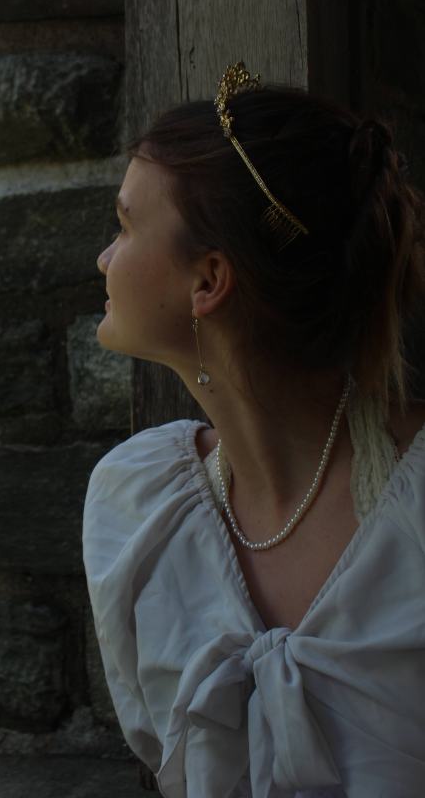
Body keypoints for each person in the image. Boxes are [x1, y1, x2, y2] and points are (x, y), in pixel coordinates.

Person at [82, 62, 425, 798]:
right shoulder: (137, 509)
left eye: (126, 225)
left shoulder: (416, 506)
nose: (104, 257)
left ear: (208, 281)